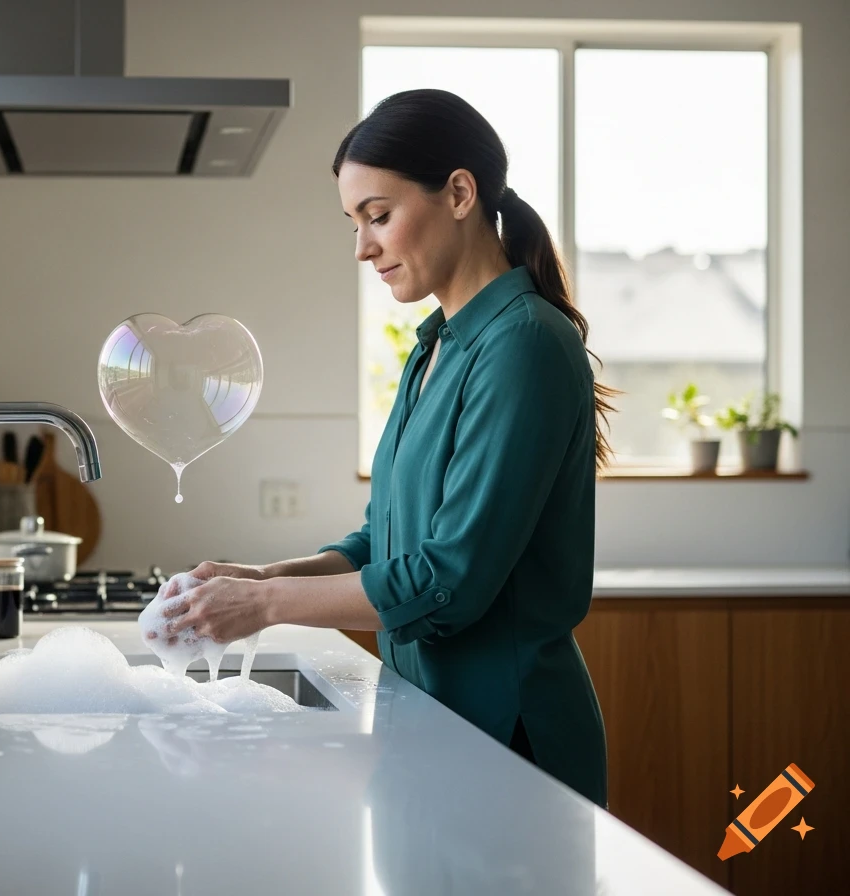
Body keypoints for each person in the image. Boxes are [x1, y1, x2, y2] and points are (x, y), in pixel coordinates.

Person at [163, 88, 615, 808]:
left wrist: (267, 605)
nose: (362, 246)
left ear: (460, 192)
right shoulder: (434, 346)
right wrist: (257, 579)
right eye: (353, 222)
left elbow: (448, 581)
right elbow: (385, 540)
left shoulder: (523, 345)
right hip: (428, 724)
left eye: (378, 216)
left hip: (508, 743)